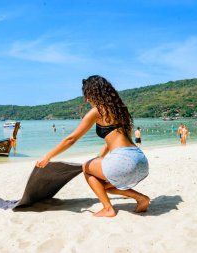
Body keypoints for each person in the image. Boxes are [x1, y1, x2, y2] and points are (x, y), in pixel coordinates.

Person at [36, 75, 150, 217]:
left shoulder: (97, 111)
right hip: (141, 161)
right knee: (104, 186)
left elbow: (71, 139)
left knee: (86, 168)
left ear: (94, 93)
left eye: (87, 95)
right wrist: (99, 158)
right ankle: (141, 198)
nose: (87, 99)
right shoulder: (121, 110)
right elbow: (113, 141)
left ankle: (108, 208)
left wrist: (48, 156)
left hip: (124, 162)